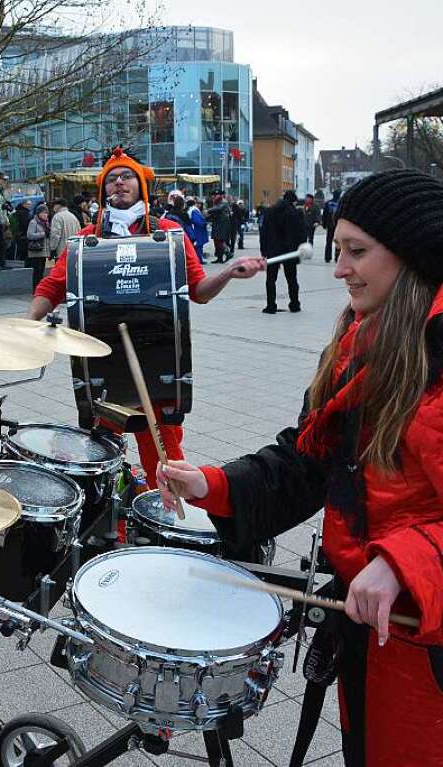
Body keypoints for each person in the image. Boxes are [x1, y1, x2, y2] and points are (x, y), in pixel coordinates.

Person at [158, 169, 443, 767]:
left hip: (427, 640)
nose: (339, 270)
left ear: (414, 256)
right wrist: (214, 483)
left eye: (357, 252)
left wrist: (403, 563)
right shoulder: (359, 343)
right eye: (338, 250)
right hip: (376, 627)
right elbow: (311, 463)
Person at [29, 146, 264, 487]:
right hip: (103, 367)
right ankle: (108, 526)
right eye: (111, 179)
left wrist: (228, 272)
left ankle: (166, 520)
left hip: (158, 366)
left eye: (126, 177)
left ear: (141, 185)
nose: (119, 183)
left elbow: (198, 290)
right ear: (102, 190)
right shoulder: (85, 240)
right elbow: (51, 288)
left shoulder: (168, 233)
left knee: (165, 463)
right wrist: (25, 327)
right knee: (99, 460)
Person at [260, 190, 306, 314]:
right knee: (292, 279)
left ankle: (271, 305)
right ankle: (294, 304)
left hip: (273, 250)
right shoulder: (295, 213)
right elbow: (302, 233)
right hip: (289, 251)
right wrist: (300, 248)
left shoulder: (269, 211)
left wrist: (264, 250)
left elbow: (263, 232)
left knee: (270, 279)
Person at [24, 203, 50, 288]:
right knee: (37, 271)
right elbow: (29, 235)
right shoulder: (33, 222)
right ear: (39, 213)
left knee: (41, 271)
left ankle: (40, 287)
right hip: (36, 250)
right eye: (44, 212)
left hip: (43, 251)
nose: (46, 214)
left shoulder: (46, 223)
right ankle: (36, 288)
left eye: (46, 212)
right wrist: (43, 234)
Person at [205, 190, 234, 263]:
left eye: (216, 195)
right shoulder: (216, 202)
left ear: (220, 195)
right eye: (213, 195)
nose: (214, 196)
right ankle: (219, 258)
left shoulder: (223, 201)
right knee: (216, 240)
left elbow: (218, 208)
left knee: (219, 240)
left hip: (221, 224)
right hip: (218, 223)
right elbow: (214, 213)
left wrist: (207, 211)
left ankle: (228, 253)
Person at [323, 188, 342, 263]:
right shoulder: (341, 203)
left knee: (328, 241)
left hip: (330, 225)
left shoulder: (328, 203)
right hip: (338, 225)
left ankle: (327, 257)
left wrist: (324, 224)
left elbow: (325, 215)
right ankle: (337, 257)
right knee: (338, 242)